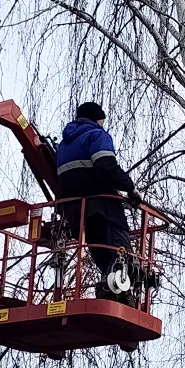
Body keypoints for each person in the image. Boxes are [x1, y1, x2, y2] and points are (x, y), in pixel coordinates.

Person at [55, 102, 141, 300]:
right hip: (102, 209)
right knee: (120, 255)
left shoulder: (63, 146)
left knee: (103, 257)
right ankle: (119, 293)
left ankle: (110, 289)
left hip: (78, 215)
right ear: (97, 119)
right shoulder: (96, 135)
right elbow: (106, 167)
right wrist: (130, 187)